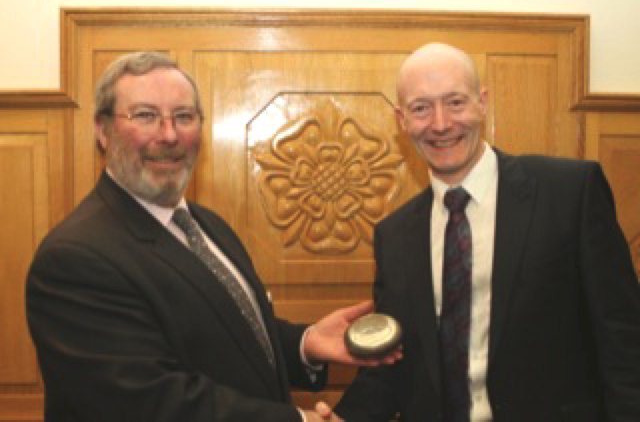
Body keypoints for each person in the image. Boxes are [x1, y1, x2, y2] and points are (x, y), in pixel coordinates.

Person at [26, 51, 399, 422]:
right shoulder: (75, 259)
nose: (169, 134)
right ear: (102, 130)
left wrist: (305, 345)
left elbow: (227, 336)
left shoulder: (206, 225)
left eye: (184, 117)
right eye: (145, 115)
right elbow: (149, 404)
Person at [332, 43, 640, 421]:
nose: (441, 123)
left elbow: (625, 342)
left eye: (456, 102)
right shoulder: (393, 236)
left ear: (482, 103)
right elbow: (393, 364)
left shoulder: (570, 193)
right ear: (401, 120)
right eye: (421, 108)